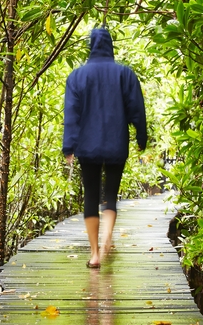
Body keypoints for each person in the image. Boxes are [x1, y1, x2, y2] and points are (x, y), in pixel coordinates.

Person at [62, 27, 147, 268]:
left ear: (91, 45)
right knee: (110, 195)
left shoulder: (77, 76)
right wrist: (141, 136)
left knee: (90, 195)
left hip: (87, 147)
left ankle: (94, 254)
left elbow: (72, 115)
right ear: (110, 46)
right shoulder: (125, 74)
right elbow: (136, 109)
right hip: (115, 144)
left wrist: (69, 146)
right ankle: (107, 239)